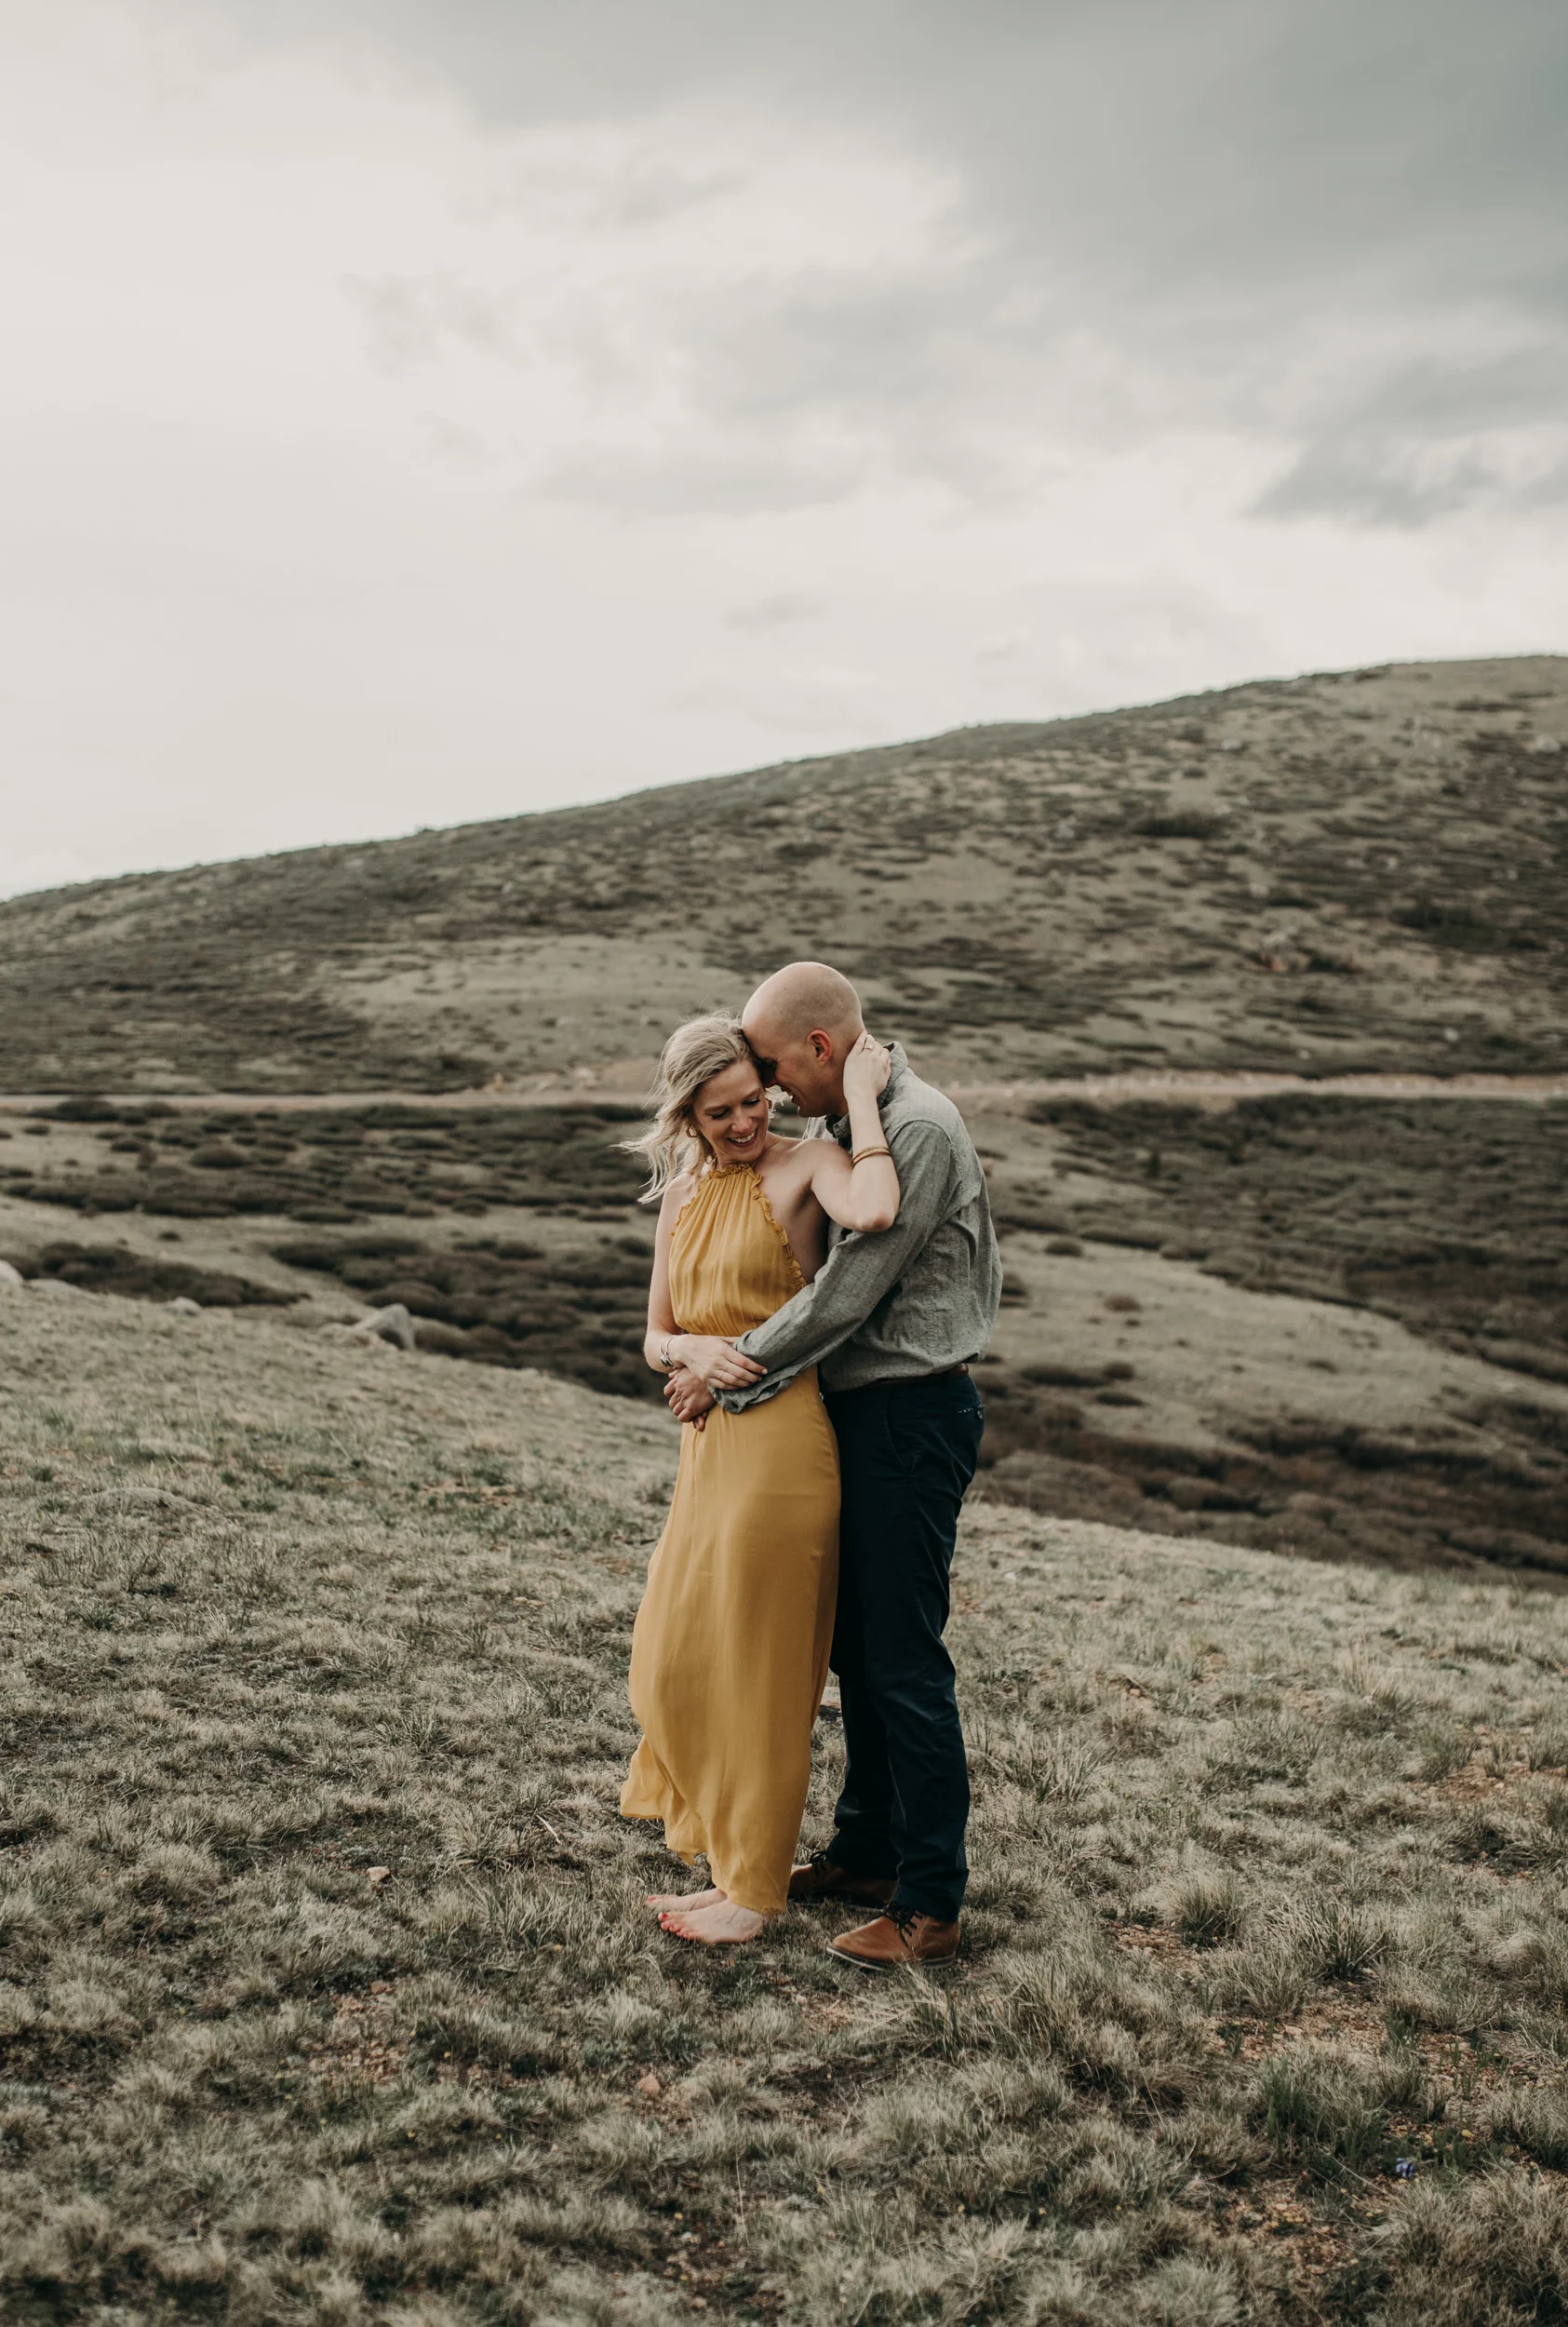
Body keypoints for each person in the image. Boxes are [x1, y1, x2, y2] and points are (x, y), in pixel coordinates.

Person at [663, 962, 1000, 1971]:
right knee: (857, 1649)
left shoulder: (918, 1128)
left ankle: (928, 1902)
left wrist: (729, 1372)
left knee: (902, 1658)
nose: (765, 1091)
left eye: (769, 1066)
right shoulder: (865, 1115)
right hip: (853, 1414)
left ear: (818, 1049)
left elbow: (846, 1294)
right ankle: (863, 1849)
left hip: (908, 1414)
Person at [620, 1012, 904, 1945]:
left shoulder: (805, 1165)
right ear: (687, 1116)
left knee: (764, 1671)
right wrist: (696, 1349)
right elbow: (654, 1334)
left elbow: (872, 1209)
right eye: (719, 1112)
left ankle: (752, 1889)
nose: (743, 1122)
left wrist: (857, 1101)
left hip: (781, 1445)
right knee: (674, 1658)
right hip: (706, 1450)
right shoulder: (684, 1190)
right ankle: (733, 1863)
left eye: (752, 1100)